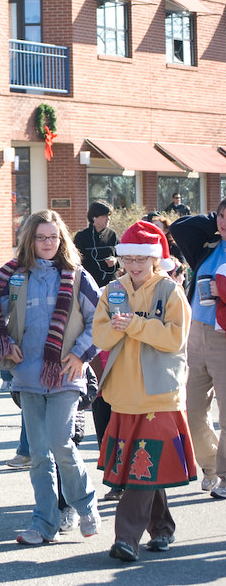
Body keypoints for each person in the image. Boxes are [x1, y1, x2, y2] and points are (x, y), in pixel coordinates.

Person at [0, 209, 102, 546]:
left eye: (53, 237)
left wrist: (80, 355)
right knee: (38, 455)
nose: (48, 243)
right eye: (41, 237)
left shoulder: (78, 276)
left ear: (61, 239)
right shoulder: (13, 276)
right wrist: (5, 346)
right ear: (29, 240)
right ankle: (44, 524)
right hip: (28, 377)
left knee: (62, 443)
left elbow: (99, 321)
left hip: (66, 375)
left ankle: (85, 505)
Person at [93, 220, 197, 561]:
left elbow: (175, 338)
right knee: (142, 465)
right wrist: (119, 328)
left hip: (160, 394)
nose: (135, 266)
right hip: (123, 394)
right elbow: (100, 338)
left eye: (142, 259)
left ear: (155, 259)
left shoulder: (170, 291)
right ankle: (163, 528)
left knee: (141, 468)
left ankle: (126, 538)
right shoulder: (111, 290)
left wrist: (134, 324)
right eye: (130, 259)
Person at [169, 198, 226, 496]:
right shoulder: (207, 247)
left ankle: (225, 477)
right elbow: (179, 226)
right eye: (222, 216)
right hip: (196, 336)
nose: (224, 222)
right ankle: (212, 467)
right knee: (191, 411)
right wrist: (212, 220)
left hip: (223, 338)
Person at [74, 200, 120, 288]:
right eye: (105, 215)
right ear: (94, 217)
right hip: (89, 284)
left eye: (109, 215)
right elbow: (76, 261)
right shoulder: (81, 237)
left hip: (111, 283)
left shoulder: (112, 235)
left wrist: (115, 261)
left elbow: (122, 256)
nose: (108, 218)